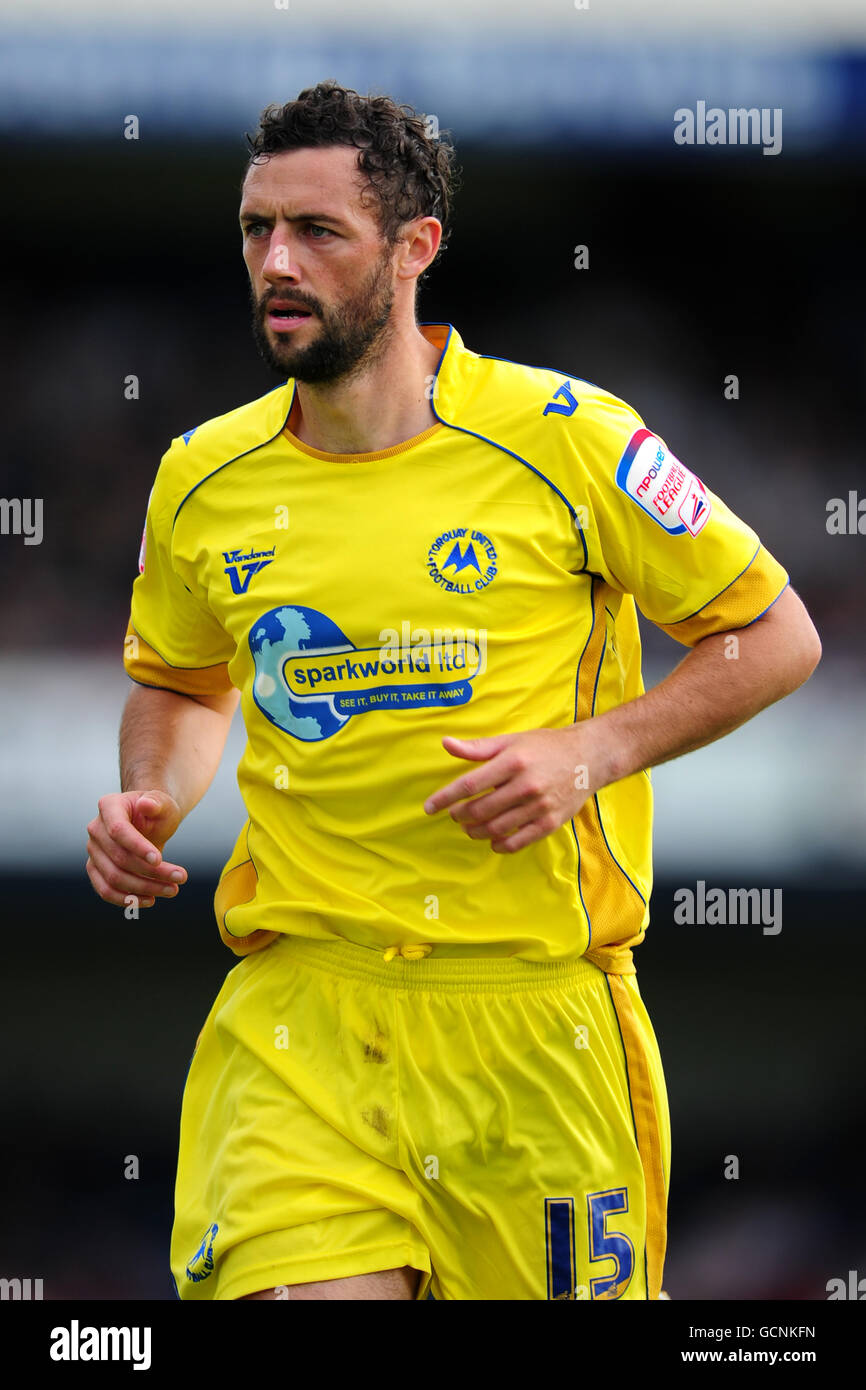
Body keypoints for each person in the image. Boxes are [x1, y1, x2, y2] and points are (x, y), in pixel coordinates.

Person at [86, 80, 821, 1301]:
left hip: (532, 1028)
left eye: (317, 231)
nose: (276, 260)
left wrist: (589, 750)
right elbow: (179, 681)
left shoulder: (569, 437)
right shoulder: (202, 476)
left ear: (414, 248)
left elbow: (773, 632)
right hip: (302, 1015)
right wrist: (148, 794)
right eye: (256, 228)